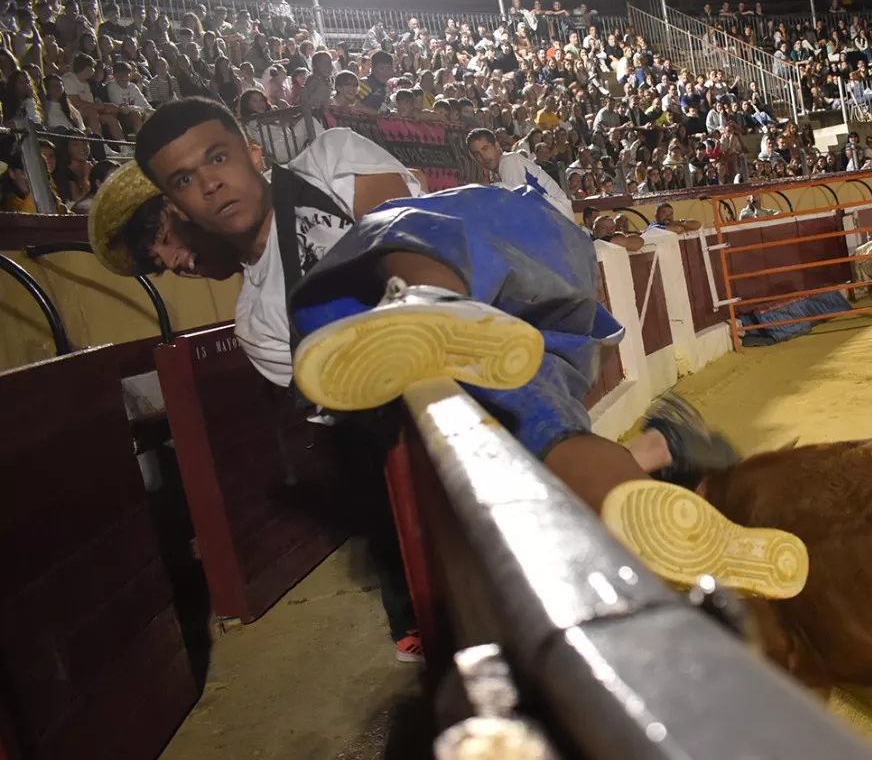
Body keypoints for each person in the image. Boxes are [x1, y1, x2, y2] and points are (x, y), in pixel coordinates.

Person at [93, 100, 808, 655]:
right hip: (479, 377)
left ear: (252, 151)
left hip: (508, 277)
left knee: (380, 254)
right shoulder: (259, 323)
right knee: (544, 438)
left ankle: (432, 310)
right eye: (185, 181)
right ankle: (699, 525)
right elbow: (348, 411)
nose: (208, 183)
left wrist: (408, 320)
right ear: (178, 203)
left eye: (216, 159)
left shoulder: (329, 159)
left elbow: (401, 220)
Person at [465, 126, 572, 220]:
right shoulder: (496, 172)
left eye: (485, 149)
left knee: (499, 189)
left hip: (559, 216)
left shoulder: (508, 161)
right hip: (552, 217)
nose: (483, 156)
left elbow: (517, 206)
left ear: (497, 145)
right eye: (477, 154)